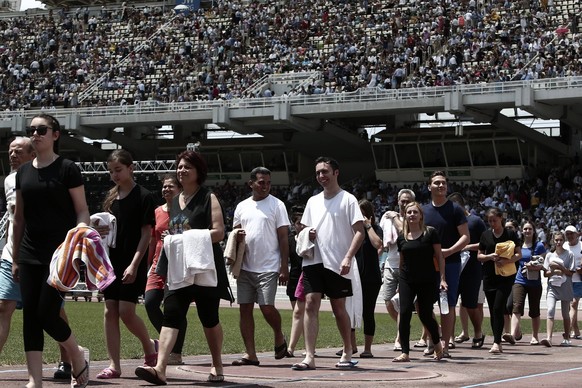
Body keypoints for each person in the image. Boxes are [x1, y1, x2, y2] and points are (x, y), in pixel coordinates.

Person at [135, 150, 233, 384]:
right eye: (179, 167)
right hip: (179, 269)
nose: (181, 170)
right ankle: (160, 368)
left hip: (204, 268)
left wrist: (188, 236)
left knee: (209, 318)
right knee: (171, 315)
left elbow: (219, 232)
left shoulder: (208, 197)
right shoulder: (175, 201)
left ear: (199, 171)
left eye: (187, 167)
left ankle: (217, 365)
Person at [11, 114, 90, 388]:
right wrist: (16, 257)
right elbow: (18, 218)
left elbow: (82, 211)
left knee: (46, 313)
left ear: (55, 134)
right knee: (30, 316)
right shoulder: (22, 173)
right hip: (29, 252)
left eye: (41, 129)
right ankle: (35, 379)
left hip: (60, 254)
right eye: (31, 130)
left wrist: (79, 239)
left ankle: (76, 354)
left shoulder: (68, 169)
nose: (36, 134)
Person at [291, 156, 365, 371]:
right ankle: (309, 357)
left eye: (325, 171)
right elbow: (301, 229)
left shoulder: (348, 199)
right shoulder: (313, 201)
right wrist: (307, 233)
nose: (321, 176)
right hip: (313, 261)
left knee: (339, 308)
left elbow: (359, 232)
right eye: (317, 173)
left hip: (337, 262)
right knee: (311, 303)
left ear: (336, 173)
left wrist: (348, 257)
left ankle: (347, 350)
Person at [95, 149, 158, 379]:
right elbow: (104, 230)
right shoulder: (110, 198)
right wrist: (97, 228)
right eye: (111, 171)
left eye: (118, 170)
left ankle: (150, 347)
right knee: (109, 310)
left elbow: (146, 235)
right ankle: (114, 365)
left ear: (131, 168)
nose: (114, 175)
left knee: (126, 311)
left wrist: (134, 264)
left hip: (133, 260)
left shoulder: (144, 196)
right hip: (110, 261)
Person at [231, 167, 290, 366]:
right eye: (261, 182)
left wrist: (284, 266)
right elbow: (235, 235)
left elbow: (283, 237)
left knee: (266, 307)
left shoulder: (277, 205)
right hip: (246, 266)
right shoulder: (241, 207)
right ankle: (250, 354)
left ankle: (279, 335)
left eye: (268, 182)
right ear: (251, 184)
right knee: (244, 309)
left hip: (269, 266)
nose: (265, 186)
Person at [422, 171, 469, 358]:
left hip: (450, 263)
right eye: (436, 183)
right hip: (426, 264)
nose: (441, 186)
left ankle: (446, 345)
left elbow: (466, 237)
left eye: (443, 183)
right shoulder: (423, 211)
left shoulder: (455, 209)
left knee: (447, 304)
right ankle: (435, 338)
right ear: (429, 186)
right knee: (422, 305)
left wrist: (449, 251)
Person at [393, 202, 447, 362]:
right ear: (405, 215)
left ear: (420, 215)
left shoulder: (430, 233)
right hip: (406, 279)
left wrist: (442, 279)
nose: (412, 215)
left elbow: (439, 256)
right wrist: (398, 282)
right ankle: (405, 352)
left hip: (427, 279)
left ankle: (437, 343)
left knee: (425, 314)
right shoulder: (402, 237)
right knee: (404, 313)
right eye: (409, 212)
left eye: (415, 212)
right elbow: (401, 260)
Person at [144, 174, 185, 365]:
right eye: (164, 187)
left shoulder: (186, 212)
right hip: (157, 265)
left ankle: (175, 352)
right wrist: (147, 264)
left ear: (180, 190)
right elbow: (153, 240)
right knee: (150, 303)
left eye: (171, 187)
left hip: (178, 266)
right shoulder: (157, 211)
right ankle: (167, 341)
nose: (166, 189)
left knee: (175, 310)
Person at [478, 207, 521, 354]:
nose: (492, 223)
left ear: (501, 218)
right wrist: (490, 257)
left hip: (506, 276)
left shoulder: (511, 234)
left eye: (494, 220)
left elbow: (518, 254)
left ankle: (497, 342)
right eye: (489, 221)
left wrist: (507, 260)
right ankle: (497, 339)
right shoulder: (485, 235)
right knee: (492, 309)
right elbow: (479, 256)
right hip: (489, 276)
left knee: (498, 307)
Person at [448, 192, 486, 349]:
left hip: (472, 269)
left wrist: (466, 247)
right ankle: (449, 337)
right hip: (453, 267)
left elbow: (486, 243)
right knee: (450, 304)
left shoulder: (475, 221)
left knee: (471, 305)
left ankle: (478, 332)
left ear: (459, 205)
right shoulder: (451, 223)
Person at [379, 189, 414, 351]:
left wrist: (394, 218)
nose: (404, 203)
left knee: (403, 304)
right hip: (390, 263)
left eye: (407, 201)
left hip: (407, 265)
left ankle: (400, 337)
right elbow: (381, 239)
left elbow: (405, 233)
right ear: (398, 201)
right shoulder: (387, 218)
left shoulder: (414, 218)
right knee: (388, 302)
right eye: (402, 200)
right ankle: (404, 325)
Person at [349, 199, 382, 358]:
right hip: (354, 276)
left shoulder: (375, 228)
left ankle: (367, 348)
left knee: (368, 312)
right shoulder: (351, 231)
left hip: (371, 277)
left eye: (361, 214)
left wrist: (367, 225)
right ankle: (351, 346)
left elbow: (378, 244)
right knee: (350, 312)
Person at [509, 220, 546, 345]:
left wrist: (533, 266)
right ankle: (513, 335)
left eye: (529, 229)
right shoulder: (518, 245)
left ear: (533, 231)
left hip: (534, 282)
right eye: (525, 229)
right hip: (520, 280)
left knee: (534, 310)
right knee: (516, 307)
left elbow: (543, 264)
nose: (527, 231)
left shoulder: (539, 246)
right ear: (522, 231)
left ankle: (535, 336)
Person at [541, 231, 576, 347]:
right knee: (550, 310)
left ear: (564, 240)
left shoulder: (569, 255)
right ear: (553, 241)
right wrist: (553, 271)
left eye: (561, 240)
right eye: (556, 240)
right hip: (553, 287)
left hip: (565, 286)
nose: (558, 242)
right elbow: (546, 274)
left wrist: (560, 268)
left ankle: (566, 337)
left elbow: (570, 273)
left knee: (565, 313)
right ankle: (548, 338)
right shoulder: (549, 255)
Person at [287, 206, 305, 357]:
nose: (301, 226)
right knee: (297, 312)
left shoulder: (310, 239)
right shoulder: (289, 241)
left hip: (306, 277)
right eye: (298, 223)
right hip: (293, 277)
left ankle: (303, 346)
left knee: (302, 312)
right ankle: (304, 346)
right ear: (294, 225)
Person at [564, 225, 582, 340]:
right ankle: (576, 330)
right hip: (567, 279)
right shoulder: (564, 246)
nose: (570, 236)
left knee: (573, 304)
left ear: (577, 234)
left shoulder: (581, 246)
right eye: (568, 234)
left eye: (572, 233)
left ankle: (567, 332)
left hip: (579, 279)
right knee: (570, 307)